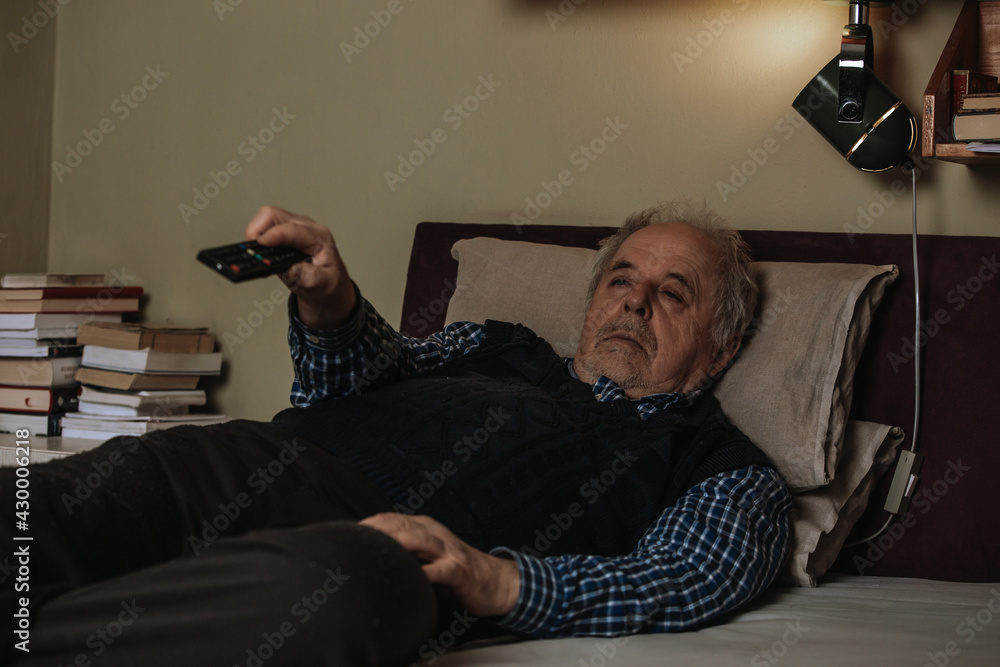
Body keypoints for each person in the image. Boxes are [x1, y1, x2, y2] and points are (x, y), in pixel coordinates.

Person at [1, 202, 791, 666]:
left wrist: (495, 579)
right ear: (593, 301)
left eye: (672, 293)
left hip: (372, 551)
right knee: (34, 511)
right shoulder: (497, 344)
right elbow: (369, 371)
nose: (634, 302)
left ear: (719, 348)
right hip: (238, 459)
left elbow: (679, 580)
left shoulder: (719, 466)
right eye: (622, 280)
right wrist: (331, 301)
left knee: (342, 593)